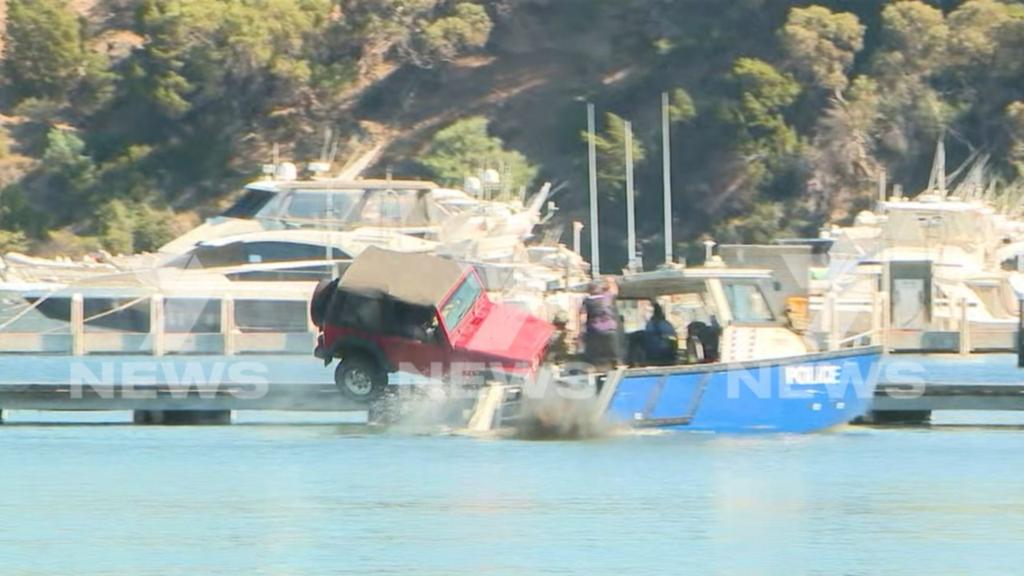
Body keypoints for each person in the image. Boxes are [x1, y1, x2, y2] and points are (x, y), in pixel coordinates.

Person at [581, 277, 620, 371]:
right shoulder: (607, 297)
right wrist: (611, 280)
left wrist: (582, 332)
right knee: (612, 352)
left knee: (595, 354)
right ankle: (616, 365)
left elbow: (582, 318)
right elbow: (615, 291)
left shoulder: (587, 300)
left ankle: (596, 367)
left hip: (594, 330)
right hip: (609, 329)